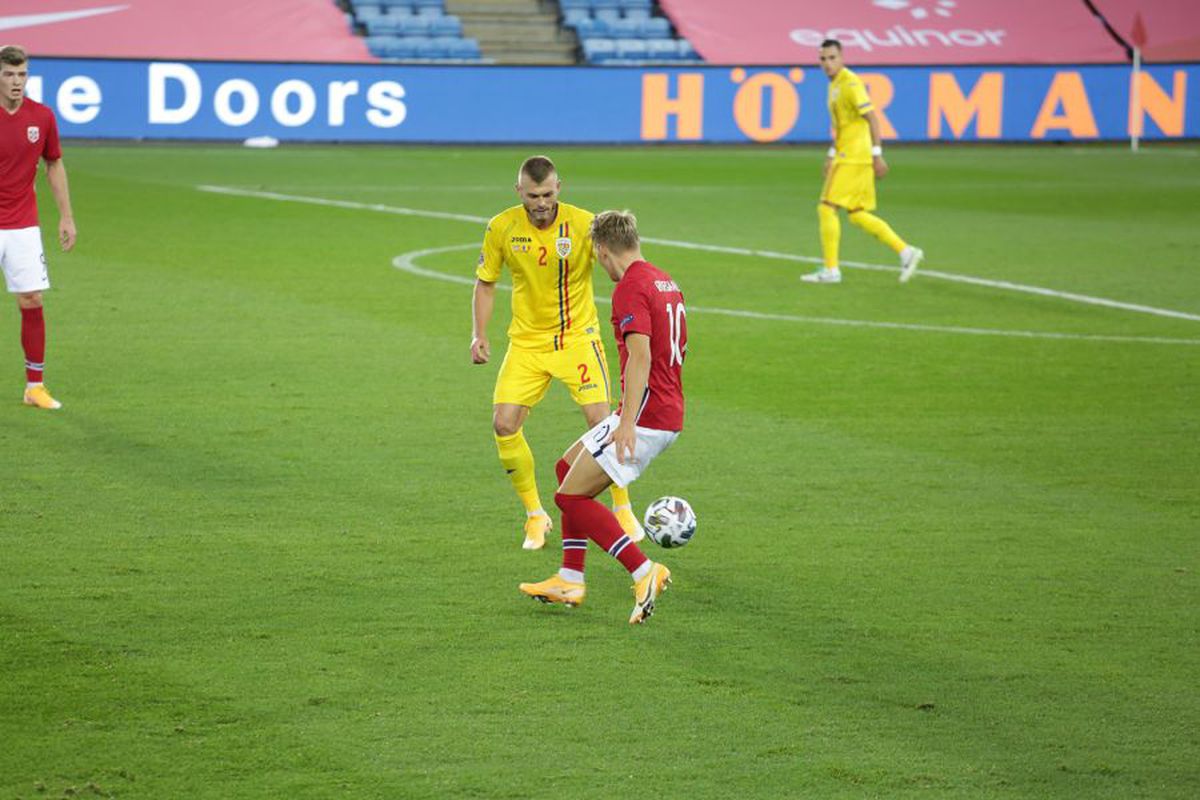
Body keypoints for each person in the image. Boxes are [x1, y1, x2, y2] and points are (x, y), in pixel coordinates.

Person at [519, 209, 686, 625]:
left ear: (603, 250)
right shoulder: (664, 280)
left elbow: (641, 356)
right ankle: (569, 579)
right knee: (566, 469)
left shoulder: (630, 288)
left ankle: (644, 571)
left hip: (645, 415)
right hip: (661, 406)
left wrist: (626, 422)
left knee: (570, 497)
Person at [471, 156, 644, 550]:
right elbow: (485, 282)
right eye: (533, 196)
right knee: (504, 424)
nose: (541, 203)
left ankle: (622, 507)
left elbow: (621, 263)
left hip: (577, 339)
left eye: (548, 194)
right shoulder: (501, 227)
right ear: (519, 192)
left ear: (559, 188)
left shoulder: (583, 224)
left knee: (602, 421)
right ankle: (535, 515)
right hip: (527, 343)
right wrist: (478, 334)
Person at [802, 39, 922, 285]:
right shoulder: (835, 84)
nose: (827, 63)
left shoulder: (850, 83)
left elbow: (872, 118)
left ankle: (831, 270)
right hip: (852, 155)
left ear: (842, 57)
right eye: (823, 59)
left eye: (832, 57)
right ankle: (906, 252)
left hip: (853, 157)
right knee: (857, 214)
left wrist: (878, 154)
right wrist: (831, 153)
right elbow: (843, 127)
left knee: (826, 208)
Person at [0, 45, 76, 409]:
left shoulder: (41, 117)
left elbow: (54, 164)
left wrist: (66, 216)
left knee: (32, 299)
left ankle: (35, 387)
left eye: (22, 74)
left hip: (22, 225)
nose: (17, 81)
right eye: (9, 74)